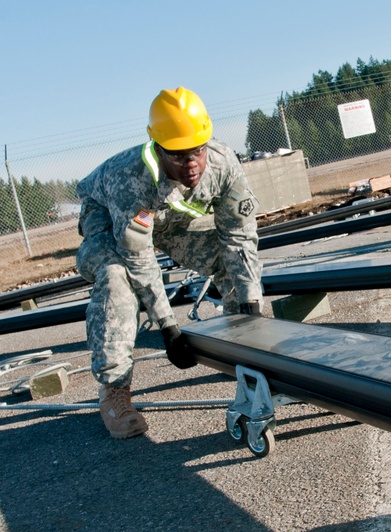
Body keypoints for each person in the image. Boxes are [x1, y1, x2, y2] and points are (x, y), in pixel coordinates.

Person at [76, 87, 263, 439]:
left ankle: (248, 355)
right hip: (111, 218)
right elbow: (139, 257)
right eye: (178, 155)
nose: (190, 163)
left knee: (232, 265)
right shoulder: (130, 179)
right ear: (158, 148)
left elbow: (239, 239)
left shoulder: (223, 164)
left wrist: (251, 307)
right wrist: (168, 327)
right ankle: (115, 391)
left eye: (197, 151)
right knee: (117, 279)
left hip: (169, 216)